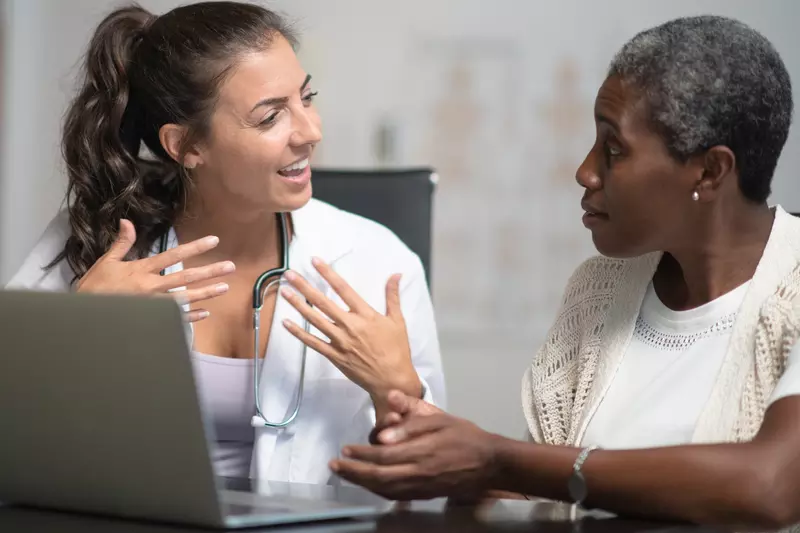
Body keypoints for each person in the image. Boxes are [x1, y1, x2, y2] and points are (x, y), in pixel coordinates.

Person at [279, 15, 800, 529]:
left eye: (614, 149)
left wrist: (497, 459)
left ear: (709, 172)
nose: (585, 171)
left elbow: (770, 488)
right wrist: (431, 437)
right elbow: (547, 488)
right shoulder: (598, 291)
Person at [6, 1, 445, 484]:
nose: (311, 131)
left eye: (306, 97)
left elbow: (434, 488)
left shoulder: (377, 261)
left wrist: (398, 391)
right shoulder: (97, 240)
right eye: (270, 117)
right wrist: (74, 334)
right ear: (186, 146)